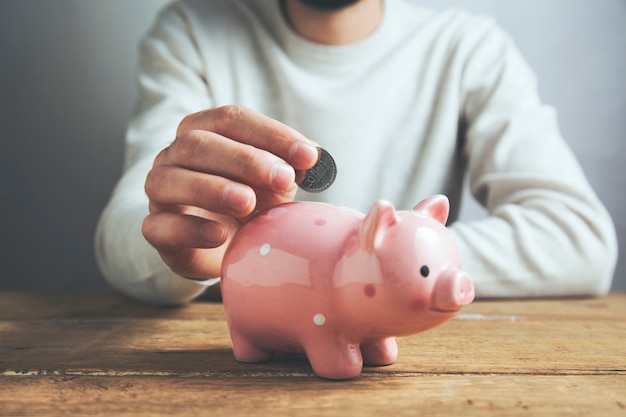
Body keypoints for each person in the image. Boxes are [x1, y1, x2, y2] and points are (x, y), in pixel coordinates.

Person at [95, 0, 618, 305]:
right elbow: (121, 236)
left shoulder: (466, 47)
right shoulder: (190, 31)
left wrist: (374, 262)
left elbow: (579, 241)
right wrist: (175, 242)